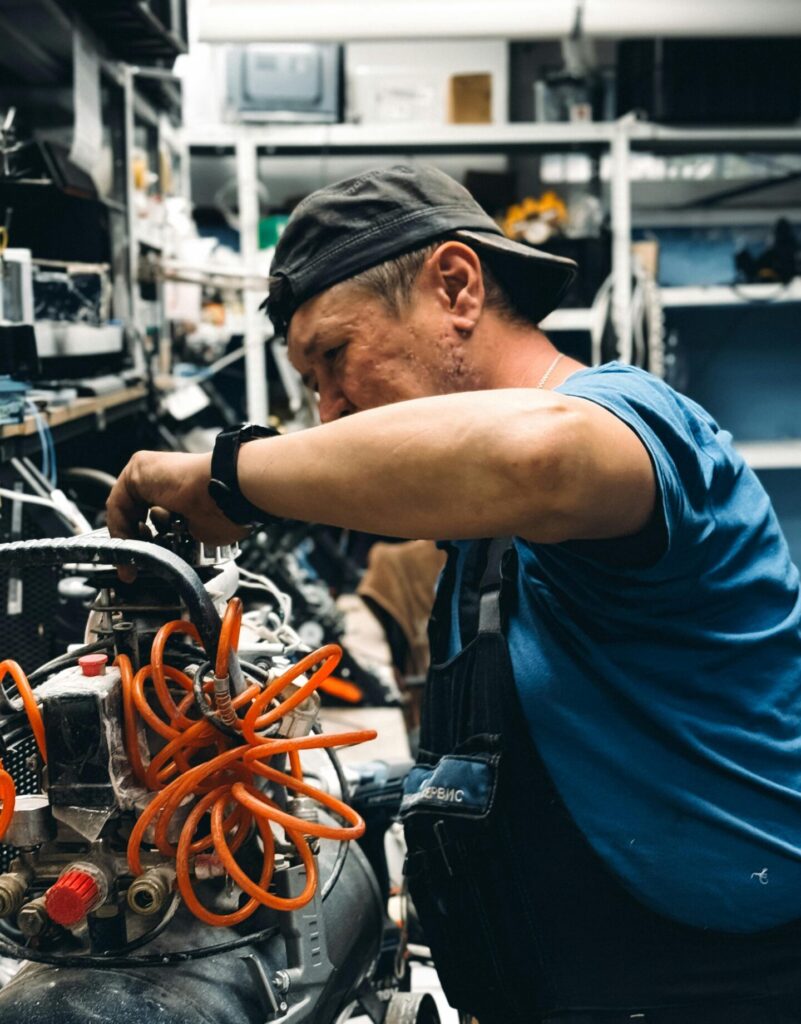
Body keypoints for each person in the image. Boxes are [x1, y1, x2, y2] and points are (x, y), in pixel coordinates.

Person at [106, 165, 801, 1024]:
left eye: (334, 357)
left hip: (721, 982)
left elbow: (539, 459)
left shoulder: (635, 418)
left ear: (456, 286)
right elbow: (553, 740)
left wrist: (232, 477)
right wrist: (363, 794)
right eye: (309, 381)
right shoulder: (479, 538)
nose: (328, 410)